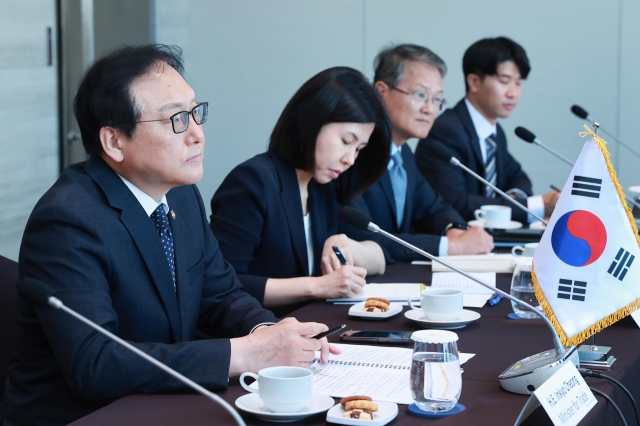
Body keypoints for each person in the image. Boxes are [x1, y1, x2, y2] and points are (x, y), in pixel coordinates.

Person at [1, 45, 338, 426]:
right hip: (88, 416)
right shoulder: (68, 220)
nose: (197, 134)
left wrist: (271, 332)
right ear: (114, 142)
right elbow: (95, 363)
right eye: (176, 119)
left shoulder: (179, 193)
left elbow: (220, 293)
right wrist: (243, 354)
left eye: (196, 112)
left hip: (161, 402)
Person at [210, 67, 389, 316]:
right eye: (346, 142)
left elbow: (381, 255)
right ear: (312, 122)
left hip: (310, 327)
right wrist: (317, 286)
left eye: (359, 149)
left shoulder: (323, 185)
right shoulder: (253, 181)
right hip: (258, 332)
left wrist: (345, 243)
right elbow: (222, 287)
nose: (350, 159)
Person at [340, 44, 493, 262]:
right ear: (382, 92)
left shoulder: (403, 155)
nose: (429, 109)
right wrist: (451, 246)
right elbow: (365, 239)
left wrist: (455, 229)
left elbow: (433, 208)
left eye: (437, 99)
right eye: (420, 95)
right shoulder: (354, 155)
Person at [415, 37, 559, 224]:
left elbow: (518, 176)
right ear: (474, 82)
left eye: (518, 83)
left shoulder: (494, 133)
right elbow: (456, 204)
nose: (513, 93)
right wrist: (538, 205)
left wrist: (512, 199)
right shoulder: (446, 131)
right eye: (504, 81)